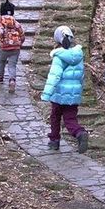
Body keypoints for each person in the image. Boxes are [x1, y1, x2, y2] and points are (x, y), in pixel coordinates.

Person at [40, 25, 89, 153]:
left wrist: (46, 94)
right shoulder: (78, 55)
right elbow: (81, 76)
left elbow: (54, 76)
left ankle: (54, 140)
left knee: (55, 116)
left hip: (59, 95)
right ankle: (79, 133)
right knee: (70, 119)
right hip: (73, 95)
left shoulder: (59, 56)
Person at [0, 8, 24, 92]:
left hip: (4, 48)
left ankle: (0, 78)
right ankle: (12, 80)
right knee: (12, 65)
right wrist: (21, 42)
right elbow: (22, 34)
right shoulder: (16, 24)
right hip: (15, 48)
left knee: (1, 62)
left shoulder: (1, 24)